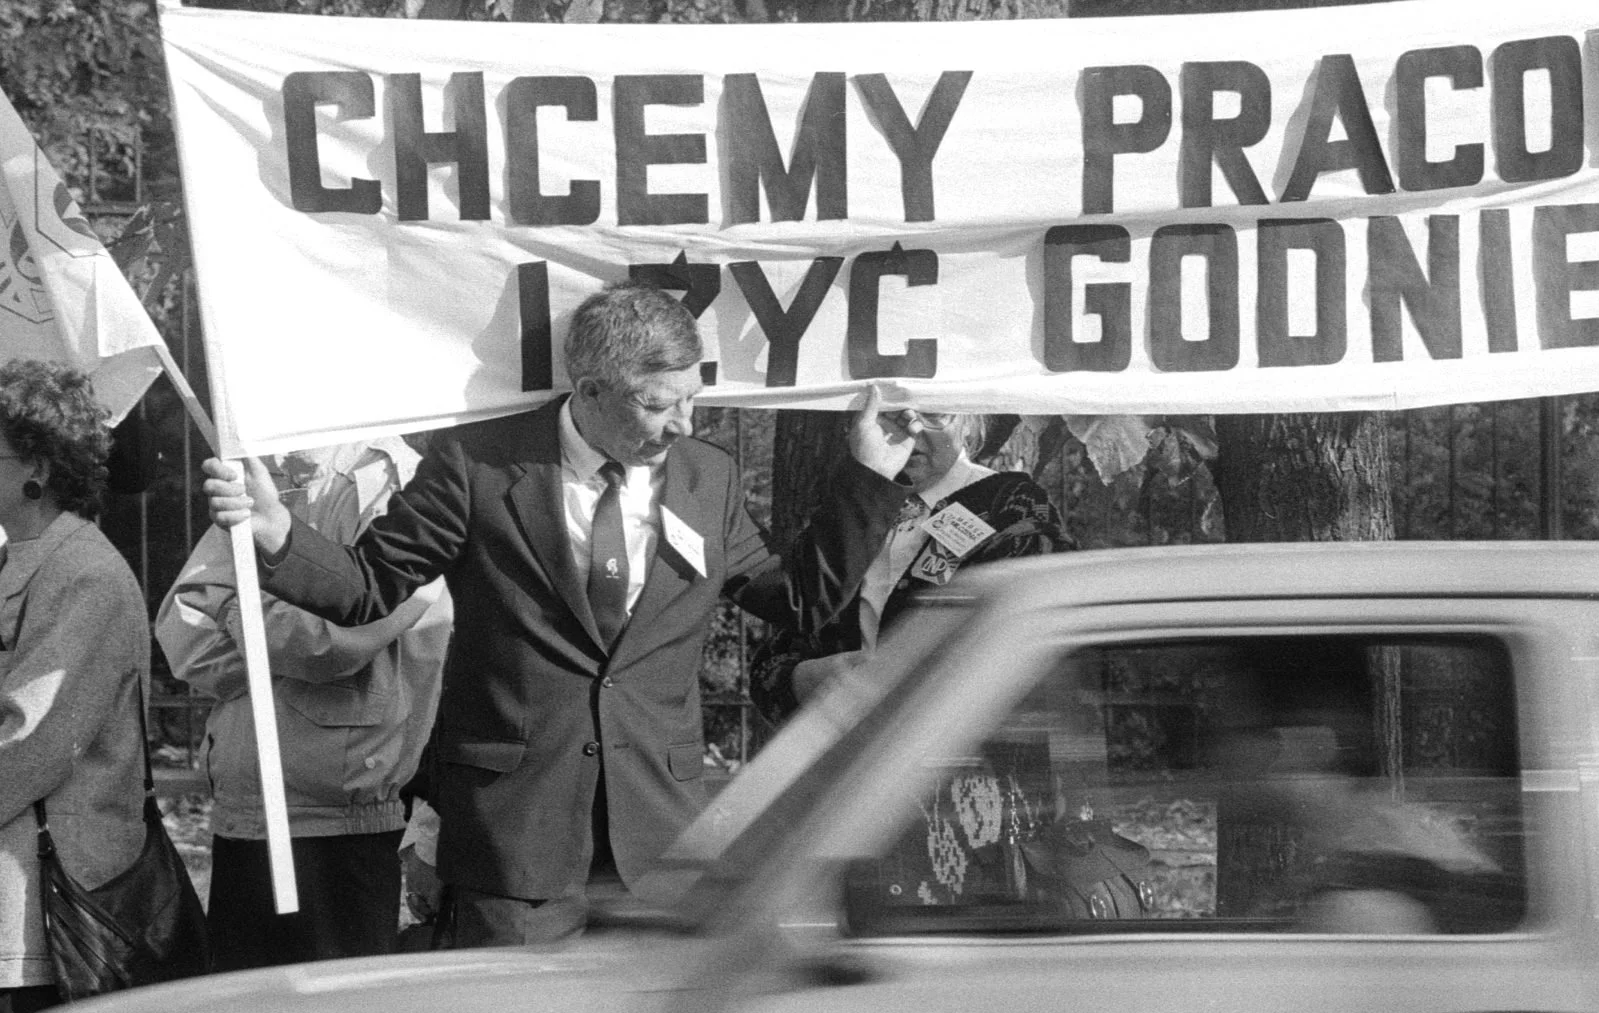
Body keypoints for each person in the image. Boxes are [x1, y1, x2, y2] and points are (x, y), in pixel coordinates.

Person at [203, 283, 794, 946]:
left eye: (694, 397)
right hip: (516, 842)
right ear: (592, 390)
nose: (684, 423)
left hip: (658, 841)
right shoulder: (476, 462)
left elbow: (785, 596)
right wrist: (281, 536)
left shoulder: (705, 474)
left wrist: (874, 488)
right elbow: (372, 584)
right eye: (659, 405)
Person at [157, 435, 452, 968]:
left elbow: (331, 644)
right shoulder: (265, 475)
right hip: (245, 818)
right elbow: (183, 635)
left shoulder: (398, 483)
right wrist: (264, 635)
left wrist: (234, 608)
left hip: (341, 825)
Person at [752, 387, 1069, 722]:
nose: (912, 429)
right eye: (891, 413)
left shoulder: (1013, 508)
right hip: (857, 756)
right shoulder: (852, 509)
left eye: (933, 414)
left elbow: (1023, 661)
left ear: (969, 422)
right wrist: (811, 677)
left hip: (958, 759)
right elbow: (772, 667)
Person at [0, 361, 150, 1013]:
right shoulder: (26, 560)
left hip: (51, 910)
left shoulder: (86, 574)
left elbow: (32, 740)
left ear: (33, 464)